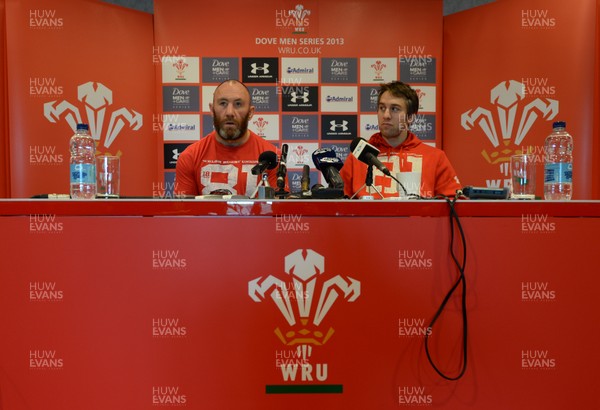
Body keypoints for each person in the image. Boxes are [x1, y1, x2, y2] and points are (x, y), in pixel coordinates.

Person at [340, 81, 460, 199]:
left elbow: (452, 204)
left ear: (410, 117)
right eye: (382, 108)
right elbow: (338, 205)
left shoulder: (435, 158)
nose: (386, 115)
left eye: (394, 109)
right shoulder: (359, 155)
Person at [175, 79, 280, 197]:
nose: (230, 112)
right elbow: (185, 212)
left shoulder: (272, 159)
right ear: (212, 110)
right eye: (223, 103)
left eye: (238, 104)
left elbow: (276, 211)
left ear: (250, 112)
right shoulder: (190, 157)